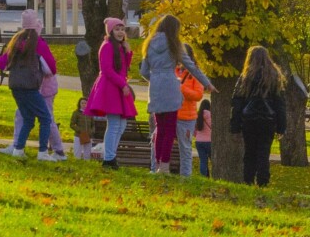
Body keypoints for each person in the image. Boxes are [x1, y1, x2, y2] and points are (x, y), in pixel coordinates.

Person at [139, 15, 214, 174]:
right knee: (170, 128)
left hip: (156, 88)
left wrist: (156, 79)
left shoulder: (149, 43)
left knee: (159, 128)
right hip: (171, 87)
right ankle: (165, 166)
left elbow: (144, 71)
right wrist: (207, 82)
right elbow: (192, 67)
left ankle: (157, 164)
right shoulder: (174, 45)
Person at [0, 23, 61, 162]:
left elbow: (4, 62)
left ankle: (18, 149)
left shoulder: (16, 44)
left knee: (28, 119)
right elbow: (50, 69)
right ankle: (43, 152)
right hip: (31, 88)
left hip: (16, 87)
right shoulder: (37, 45)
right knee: (46, 118)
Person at [229, 45, 287, 187]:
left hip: (249, 120)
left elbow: (237, 102)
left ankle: (248, 179)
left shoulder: (246, 77)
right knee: (264, 151)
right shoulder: (274, 77)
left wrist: (235, 126)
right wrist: (281, 127)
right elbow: (280, 104)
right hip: (268, 120)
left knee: (249, 152)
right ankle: (263, 181)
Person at [85, 17, 137, 170]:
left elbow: (124, 68)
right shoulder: (107, 46)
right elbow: (107, 69)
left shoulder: (119, 47)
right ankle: (109, 158)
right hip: (111, 88)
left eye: (122, 29)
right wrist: (122, 84)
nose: (120, 32)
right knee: (114, 124)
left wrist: (128, 53)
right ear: (110, 31)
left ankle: (111, 155)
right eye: (117, 29)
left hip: (118, 87)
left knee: (121, 124)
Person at [173, 63, 204, 177]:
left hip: (186, 117)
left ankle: (185, 176)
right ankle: (159, 170)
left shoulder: (195, 74)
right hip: (170, 113)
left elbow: (198, 95)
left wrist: (181, 88)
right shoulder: (172, 70)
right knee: (160, 143)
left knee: (185, 148)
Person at [194, 99, 213, 177]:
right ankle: (216, 176)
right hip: (209, 141)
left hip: (199, 141)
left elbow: (194, 130)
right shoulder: (210, 115)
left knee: (203, 161)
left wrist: (197, 136)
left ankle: (204, 177)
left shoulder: (197, 115)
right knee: (213, 160)